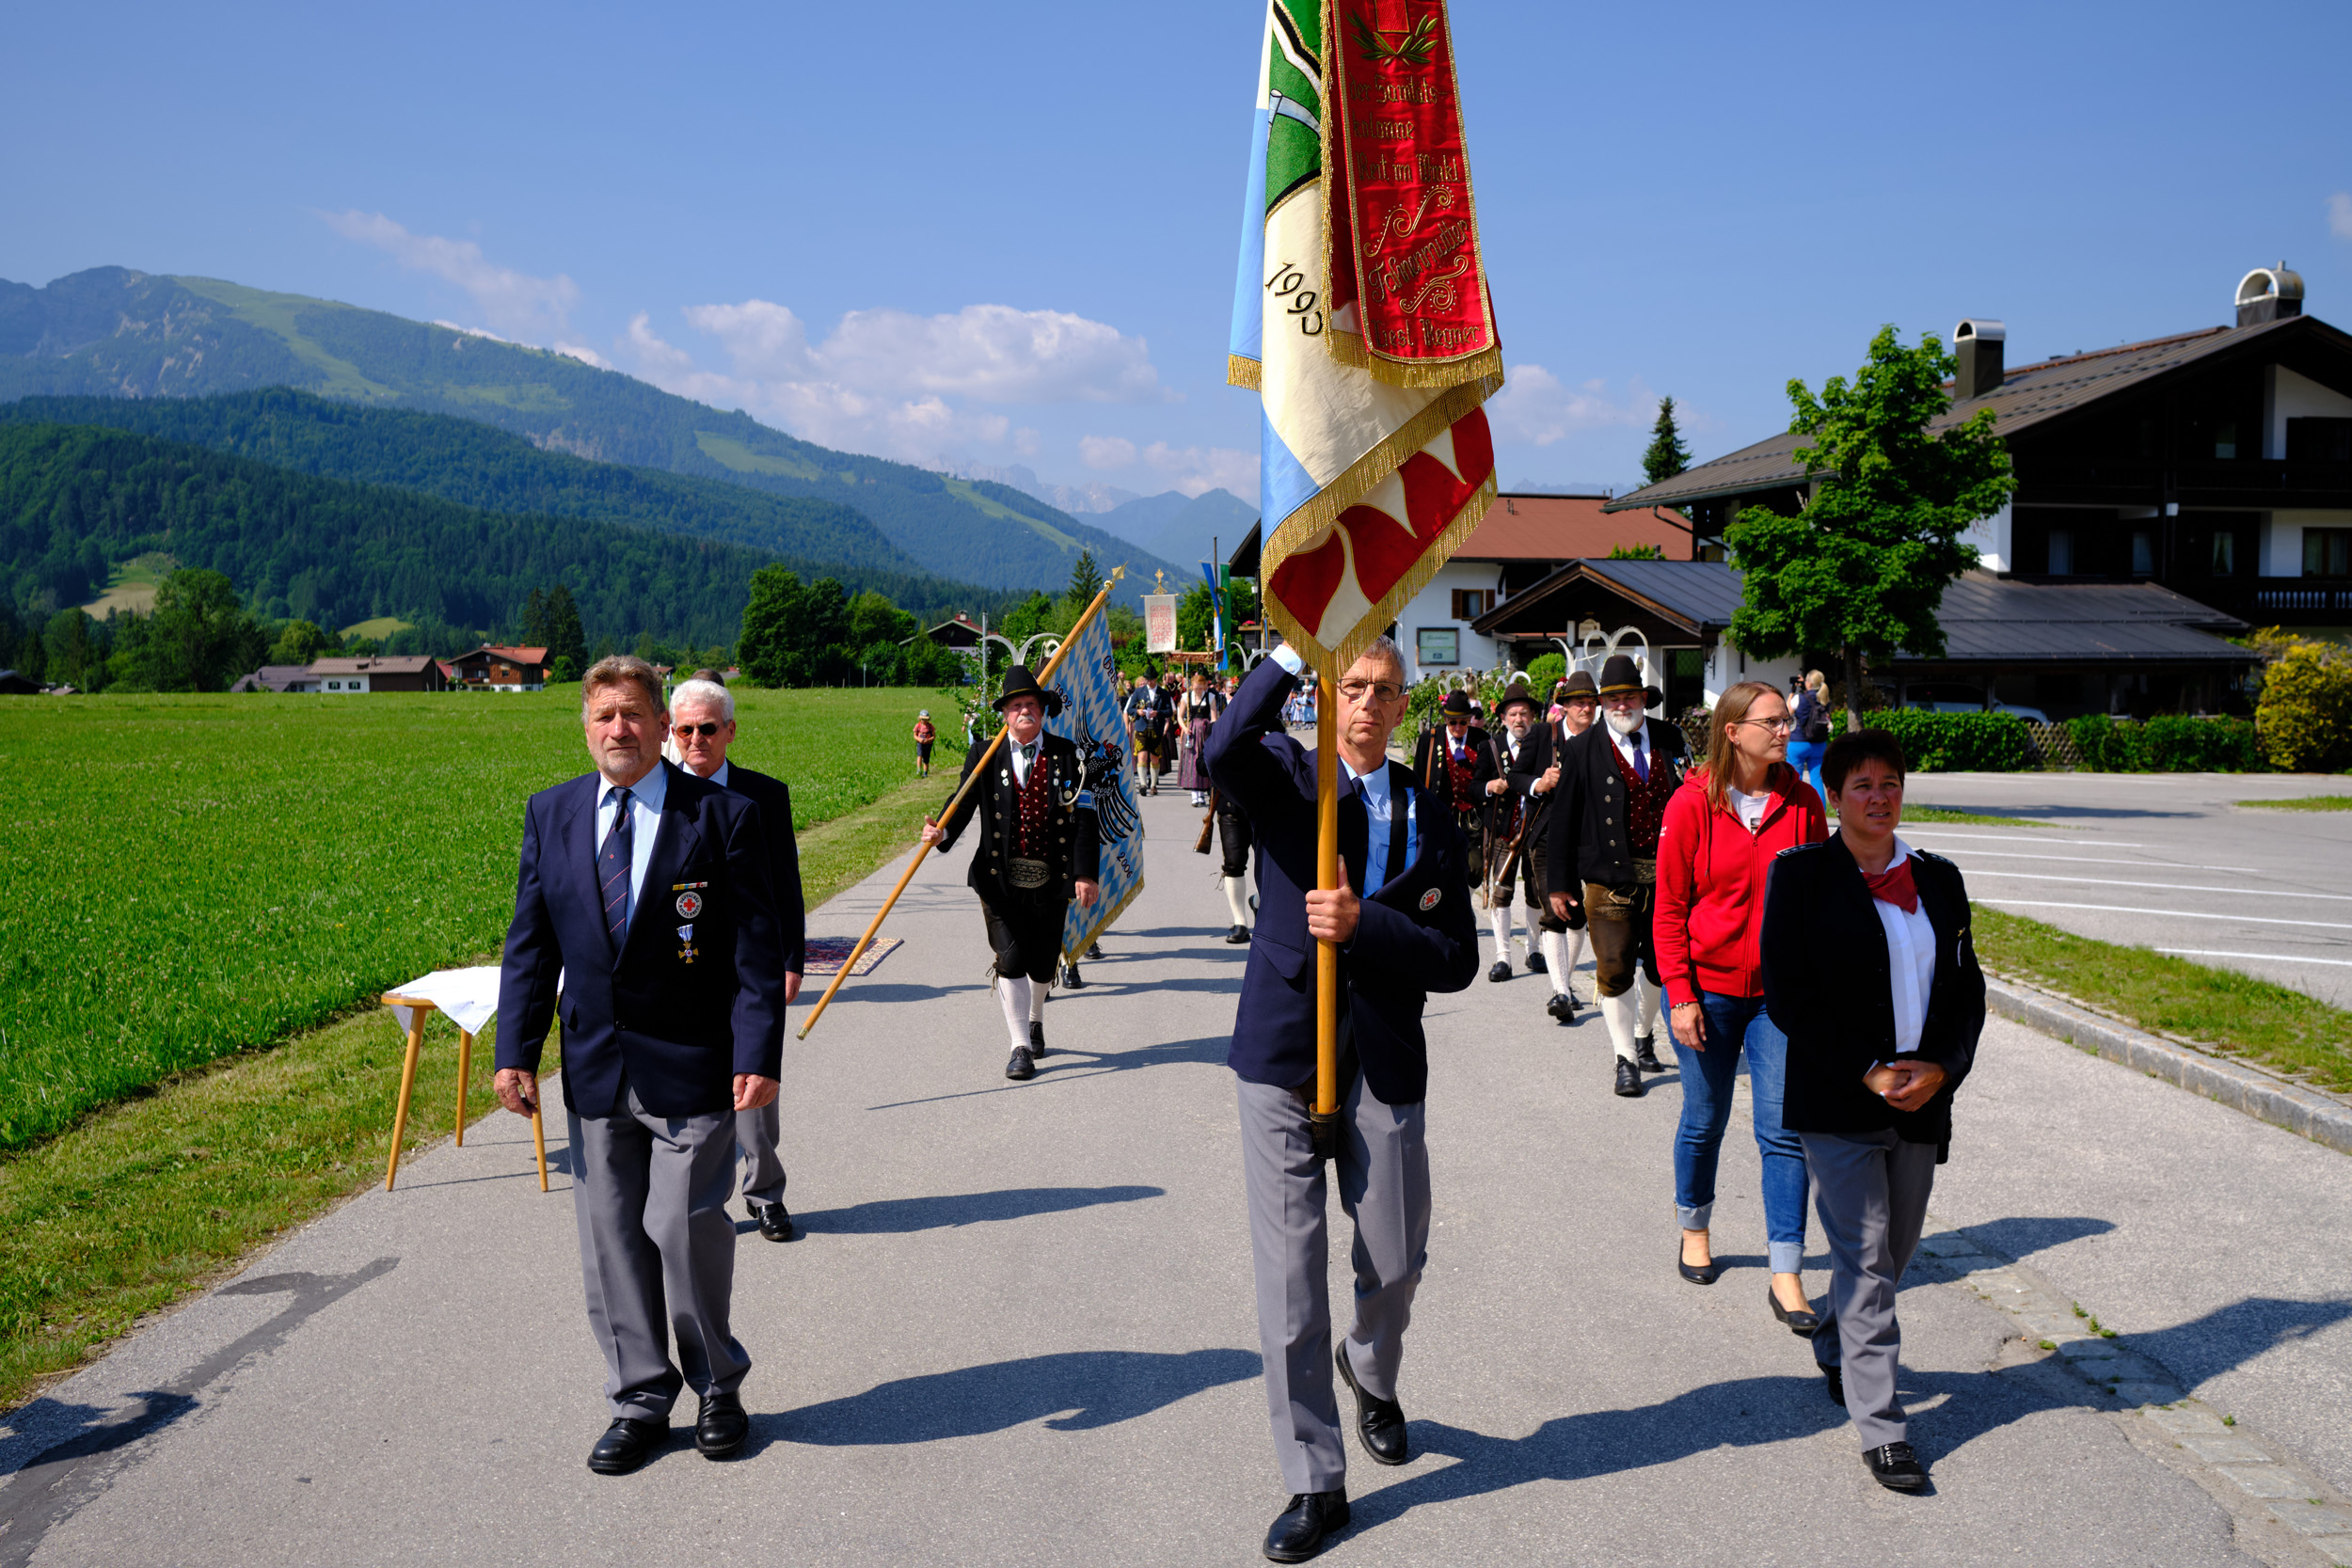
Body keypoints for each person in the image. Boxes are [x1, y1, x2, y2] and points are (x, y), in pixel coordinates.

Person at [1206, 636, 1478, 1563]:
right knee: (1290, 1281)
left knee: (1395, 1258)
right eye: (1349, 685)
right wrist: (1298, 645)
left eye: (1381, 689)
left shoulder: (1428, 810)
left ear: (1403, 705)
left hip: (1383, 1053)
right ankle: (1315, 1478)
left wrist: (1369, 924)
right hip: (1282, 1051)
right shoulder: (1288, 776)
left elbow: (1457, 957)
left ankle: (1369, 1367)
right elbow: (1220, 748)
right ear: (1325, 696)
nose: (1364, 701)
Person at [493, 655, 787, 1474]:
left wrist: (759, 1052)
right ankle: (640, 1399)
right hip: (594, 1065)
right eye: (603, 716)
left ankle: (718, 1385)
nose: (618, 728)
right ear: (586, 728)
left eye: (632, 713)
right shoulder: (552, 813)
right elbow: (531, 944)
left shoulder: (720, 815)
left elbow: (756, 952)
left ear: (662, 725)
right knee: (612, 1242)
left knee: (682, 1224)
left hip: (694, 1064)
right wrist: (516, 1051)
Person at [1762, 729, 1982, 1493]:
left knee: (1893, 1253)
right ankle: (1884, 1427)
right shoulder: (1801, 876)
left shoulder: (1939, 878)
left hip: (1921, 1099)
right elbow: (1789, 995)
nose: (1879, 797)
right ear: (1833, 796)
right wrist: (1868, 1069)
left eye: (1890, 782)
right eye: (1862, 784)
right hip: (1838, 1097)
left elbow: (1968, 991)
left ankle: (1834, 1337)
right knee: (1864, 1257)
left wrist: (1943, 1068)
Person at [1653, 680, 1826, 1318]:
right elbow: (1668, 910)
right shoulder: (1691, 804)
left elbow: (1815, 899)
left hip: (1777, 998)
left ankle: (1787, 1271)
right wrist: (1680, 994)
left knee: (1784, 1131)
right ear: (1733, 731)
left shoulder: (1803, 802)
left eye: (1787, 720)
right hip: (1706, 992)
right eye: (1773, 721)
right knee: (1705, 1120)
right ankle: (1694, 1228)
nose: (1786, 730)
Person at [672, 676, 807, 1244]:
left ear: (730, 731)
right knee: (689, 1091)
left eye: (707, 729)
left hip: (749, 966)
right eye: (684, 730)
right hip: (680, 966)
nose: (695, 740)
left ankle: (765, 1192)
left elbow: (785, 885)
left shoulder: (764, 796)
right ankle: (697, 1202)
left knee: (753, 1082)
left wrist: (791, 959)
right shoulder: (656, 795)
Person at [921, 665, 1102, 1081]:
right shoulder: (984, 754)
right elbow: (962, 802)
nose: (1025, 711)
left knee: (1043, 963)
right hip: (998, 879)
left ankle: (1035, 1018)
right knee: (1011, 957)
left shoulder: (1069, 755)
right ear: (1004, 714)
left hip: (1053, 879)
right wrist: (941, 831)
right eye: (1017, 705)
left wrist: (1085, 874)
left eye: (1032, 704)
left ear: (1043, 710)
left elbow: (1085, 820)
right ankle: (1020, 1045)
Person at [1547, 655, 1691, 1097]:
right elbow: (1563, 819)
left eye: (1628, 696)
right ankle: (1625, 1058)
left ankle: (1644, 1036)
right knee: (1613, 968)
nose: (1621, 705)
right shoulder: (1581, 748)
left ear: (1644, 698)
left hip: (1668, 878)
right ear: (1601, 703)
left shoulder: (1669, 738)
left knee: (1662, 967)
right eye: (1612, 698)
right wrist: (1559, 884)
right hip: (1607, 880)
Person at [1513, 670, 1599, 1022]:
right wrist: (1539, 782)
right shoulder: (1541, 734)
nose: (1586, 708)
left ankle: (1565, 981)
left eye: (1591, 702)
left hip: (1587, 839)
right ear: (1564, 706)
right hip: (1546, 835)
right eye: (1579, 702)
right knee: (1554, 912)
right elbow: (1515, 777)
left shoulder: (1601, 740)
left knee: (1579, 918)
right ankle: (1561, 991)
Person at [1479, 684, 1545, 981]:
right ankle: (1503, 958)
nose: (1519, 719)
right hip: (1503, 832)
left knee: (1535, 893)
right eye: (1513, 714)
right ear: (1503, 718)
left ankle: (1534, 950)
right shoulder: (1491, 747)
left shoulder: (1543, 747)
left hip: (1536, 830)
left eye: (1524, 713)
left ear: (1532, 716)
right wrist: (1489, 786)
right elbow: (1473, 787)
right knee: (1501, 892)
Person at [1411, 690, 1496, 903]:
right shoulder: (1429, 739)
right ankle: (1450, 906)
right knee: (1442, 863)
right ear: (1445, 720)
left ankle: (1465, 900)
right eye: (1453, 722)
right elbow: (1418, 777)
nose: (1458, 727)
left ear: (1469, 720)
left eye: (1463, 722)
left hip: (1473, 815)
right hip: (1441, 813)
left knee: (1476, 868)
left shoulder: (1483, 739)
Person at [1179, 667, 1223, 806]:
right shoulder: (1186, 697)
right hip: (1191, 730)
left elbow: (1214, 717)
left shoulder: (1210, 697)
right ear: (1192, 686)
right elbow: (1180, 716)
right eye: (1195, 688)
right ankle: (1194, 794)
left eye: (1200, 688)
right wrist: (1185, 728)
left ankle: (1202, 793)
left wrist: (1213, 732)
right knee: (1191, 760)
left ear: (1204, 686)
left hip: (1204, 729)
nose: (1198, 690)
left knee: (1203, 758)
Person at [1788, 670, 1830, 798]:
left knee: (1794, 778)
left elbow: (1787, 712)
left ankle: (1795, 807)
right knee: (1817, 779)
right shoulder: (1825, 699)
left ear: (1809, 683)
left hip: (1798, 743)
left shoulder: (1799, 698)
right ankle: (1820, 809)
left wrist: (1792, 691)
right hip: (1819, 744)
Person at [1125, 673, 1166, 796]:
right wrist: (1137, 712)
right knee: (1142, 756)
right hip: (1141, 728)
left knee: (1154, 758)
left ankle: (1153, 785)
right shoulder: (1137, 693)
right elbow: (1128, 710)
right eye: (1144, 682)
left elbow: (1169, 711)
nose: (1147, 683)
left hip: (1155, 729)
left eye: (1149, 680)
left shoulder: (1162, 693)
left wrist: (1157, 713)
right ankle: (1143, 784)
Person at [913, 708, 938, 779]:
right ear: (920, 719)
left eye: (926, 719)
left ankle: (925, 772)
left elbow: (934, 736)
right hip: (920, 743)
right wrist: (919, 739)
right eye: (923, 719)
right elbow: (915, 735)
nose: (924, 721)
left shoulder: (930, 726)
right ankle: (918, 770)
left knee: (926, 758)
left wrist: (928, 740)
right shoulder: (918, 725)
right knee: (920, 755)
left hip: (928, 744)